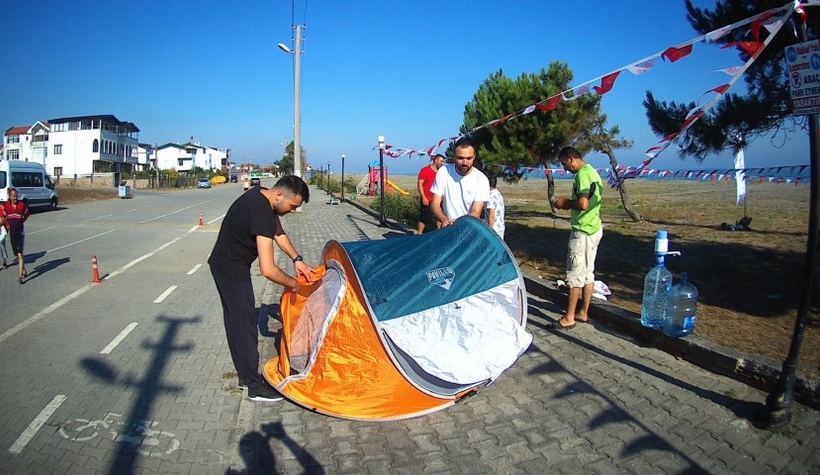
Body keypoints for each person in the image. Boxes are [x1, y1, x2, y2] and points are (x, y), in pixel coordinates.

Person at [209, 175, 313, 401]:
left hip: (227, 263)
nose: (293, 211)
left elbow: (278, 233)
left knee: (238, 321)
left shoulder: (261, 195)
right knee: (244, 325)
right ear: (279, 195)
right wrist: (294, 284)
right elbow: (268, 269)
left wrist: (297, 259)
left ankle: (246, 376)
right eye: (292, 205)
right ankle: (252, 384)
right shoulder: (262, 212)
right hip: (230, 268)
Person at [550, 146, 603, 329]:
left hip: (582, 231)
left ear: (572, 158)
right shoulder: (593, 172)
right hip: (594, 228)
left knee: (574, 275)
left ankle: (569, 317)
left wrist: (565, 203)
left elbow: (583, 203)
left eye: (565, 164)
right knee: (588, 273)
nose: (565, 169)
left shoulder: (582, 175)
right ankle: (583, 312)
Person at [430, 136, 490, 227]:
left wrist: (460, 223)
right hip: (447, 226)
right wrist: (443, 219)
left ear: (474, 157)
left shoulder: (482, 180)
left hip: (468, 227)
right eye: (460, 158)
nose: (465, 162)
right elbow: (434, 204)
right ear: (454, 156)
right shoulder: (443, 172)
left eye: (469, 158)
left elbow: (476, 211)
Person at [2, 188, 30, 284]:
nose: (15, 197)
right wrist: (1, 225)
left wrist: (22, 219)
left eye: (16, 195)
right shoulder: (7, 207)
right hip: (12, 233)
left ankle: (20, 276)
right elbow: (3, 216)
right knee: (17, 254)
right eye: (14, 196)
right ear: (10, 197)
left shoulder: (21, 205)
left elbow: (27, 214)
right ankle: (24, 270)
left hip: (20, 233)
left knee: (20, 254)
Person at [416, 153, 446, 234]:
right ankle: (419, 234)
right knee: (424, 218)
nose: (442, 163)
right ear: (435, 160)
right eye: (441, 161)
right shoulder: (425, 170)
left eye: (443, 162)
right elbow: (420, 184)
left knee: (440, 217)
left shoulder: (442, 172)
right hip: (427, 199)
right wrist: (423, 197)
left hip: (439, 199)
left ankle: (439, 233)